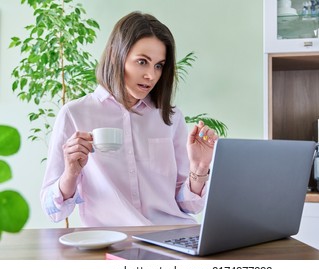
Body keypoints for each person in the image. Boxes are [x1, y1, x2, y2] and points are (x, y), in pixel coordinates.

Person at [40, 11, 218, 227]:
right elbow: (54, 211)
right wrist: (71, 172)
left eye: (159, 65)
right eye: (142, 62)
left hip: (173, 236)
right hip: (111, 242)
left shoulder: (171, 117)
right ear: (116, 56)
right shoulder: (75, 114)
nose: (151, 75)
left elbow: (189, 207)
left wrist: (199, 169)